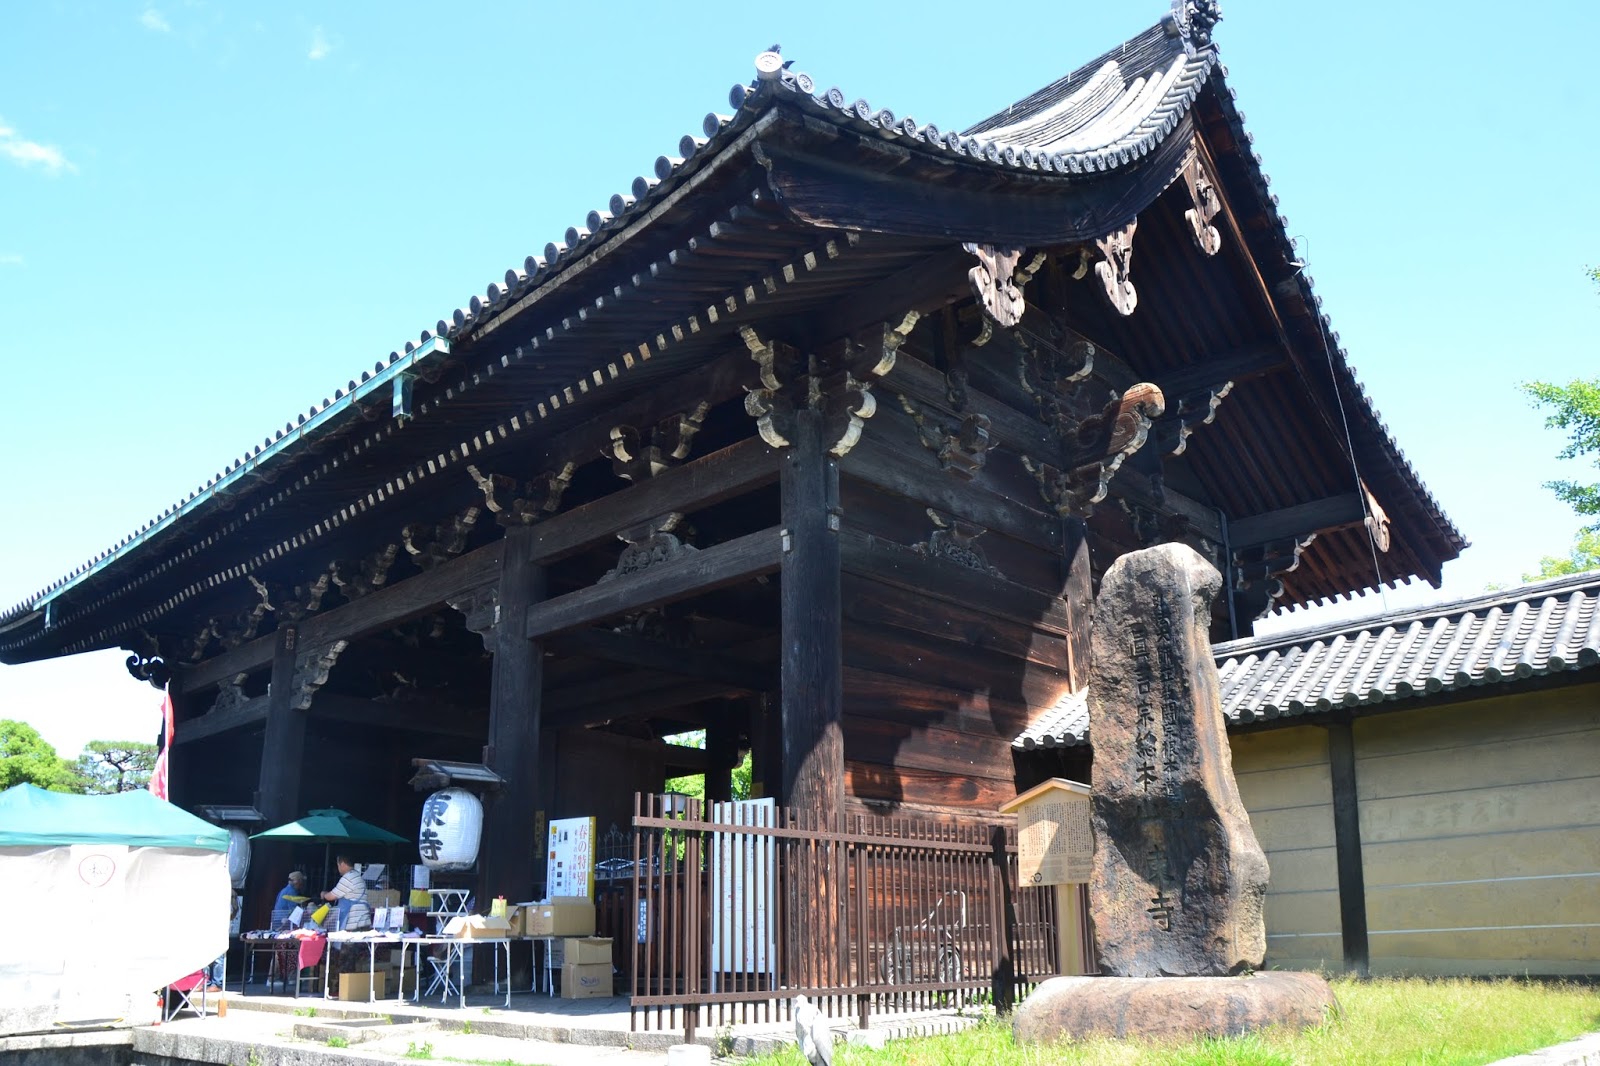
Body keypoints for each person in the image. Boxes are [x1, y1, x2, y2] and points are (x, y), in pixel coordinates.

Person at [321, 855, 371, 932]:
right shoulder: (357, 876)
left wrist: (324, 894)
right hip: (362, 918)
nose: (338, 868)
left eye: (338, 865)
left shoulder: (348, 878)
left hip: (352, 920)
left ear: (343, 864)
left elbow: (331, 896)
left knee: (347, 942)